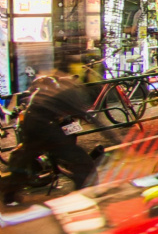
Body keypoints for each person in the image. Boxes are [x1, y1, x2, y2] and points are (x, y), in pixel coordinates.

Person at [4, 55, 105, 205]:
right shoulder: (70, 92)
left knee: (25, 156)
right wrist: (113, 136)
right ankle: (84, 193)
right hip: (44, 126)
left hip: (34, 123)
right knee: (80, 159)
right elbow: (88, 117)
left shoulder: (55, 85)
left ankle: (9, 196)